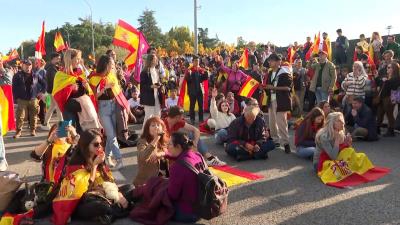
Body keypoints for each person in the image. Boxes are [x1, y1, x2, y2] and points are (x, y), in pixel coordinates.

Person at [52, 129, 134, 225]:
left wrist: (119, 194)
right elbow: (84, 189)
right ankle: (114, 210)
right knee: (101, 207)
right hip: (83, 201)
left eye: (101, 143)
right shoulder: (75, 163)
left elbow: (109, 180)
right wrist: (94, 166)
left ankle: (111, 212)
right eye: (96, 144)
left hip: (102, 193)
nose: (99, 147)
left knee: (130, 188)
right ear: (86, 145)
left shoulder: (98, 157)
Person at [53, 48, 101, 133]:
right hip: (68, 109)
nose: (79, 61)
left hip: (82, 109)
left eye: (80, 59)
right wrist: (70, 88)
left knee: (84, 133)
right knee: (65, 134)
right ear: (70, 60)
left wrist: (86, 87)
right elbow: (57, 95)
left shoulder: (80, 72)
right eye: (77, 59)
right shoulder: (59, 74)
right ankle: (60, 145)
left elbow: (87, 92)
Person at [94, 55, 128, 170]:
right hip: (103, 108)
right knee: (111, 135)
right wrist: (105, 87)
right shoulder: (94, 77)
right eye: (112, 64)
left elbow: (119, 92)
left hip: (114, 106)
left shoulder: (112, 75)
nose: (114, 66)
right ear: (107, 65)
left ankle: (107, 158)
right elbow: (94, 96)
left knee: (111, 135)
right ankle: (119, 159)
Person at [167, 132, 203, 223]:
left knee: (159, 197)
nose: (167, 146)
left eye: (170, 144)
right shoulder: (198, 155)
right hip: (203, 207)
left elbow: (172, 195)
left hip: (187, 213)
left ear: (178, 146)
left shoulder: (177, 166)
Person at [265, 53, 293, 153]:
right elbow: (269, 87)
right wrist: (264, 88)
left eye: (271, 60)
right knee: (272, 122)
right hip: (271, 100)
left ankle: (286, 143)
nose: (269, 62)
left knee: (282, 122)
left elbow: (288, 88)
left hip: (281, 100)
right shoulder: (269, 73)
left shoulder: (285, 72)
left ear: (278, 62)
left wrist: (273, 88)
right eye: (269, 60)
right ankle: (275, 140)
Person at [12, 59, 46, 138]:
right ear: (22, 66)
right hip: (22, 99)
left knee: (33, 115)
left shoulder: (35, 75)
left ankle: (33, 130)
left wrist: (42, 92)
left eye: (29, 65)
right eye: (26, 65)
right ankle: (18, 132)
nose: (28, 67)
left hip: (33, 98)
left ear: (31, 66)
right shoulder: (17, 75)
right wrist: (16, 99)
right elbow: (14, 88)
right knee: (20, 116)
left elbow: (44, 83)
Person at [134, 116, 169, 187]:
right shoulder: (142, 142)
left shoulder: (164, 140)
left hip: (163, 180)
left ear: (162, 128)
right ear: (148, 129)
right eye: (153, 125)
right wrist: (156, 139)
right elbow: (142, 157)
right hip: (146, 184)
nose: (156, 127)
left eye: (158, 125)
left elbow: (172, 152)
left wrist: (161, 153)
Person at [376, 61, 400, 137]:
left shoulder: (397, 78)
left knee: (389, 114)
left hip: (389, 98)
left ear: (394, 69)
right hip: (382, 98)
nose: (387, 69)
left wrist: (385, 81)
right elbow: (379, 83)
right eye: (387, 67)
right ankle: (377, 128)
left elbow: (393, 87)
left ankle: (391, 130)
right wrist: (378, 78)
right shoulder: (387, 76)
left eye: (389, 67)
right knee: (379, 113)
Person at [140, 54, 163, 126]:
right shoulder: (144, 72)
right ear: (151, 61)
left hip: (156, 97)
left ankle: (156, 132)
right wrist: (151, 86)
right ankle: (144, 134)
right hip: (148, 98)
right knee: (148, 117)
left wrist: (161, 86)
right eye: (155, 59)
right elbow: (142, 86)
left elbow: (158, 82)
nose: (157, 60)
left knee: (157, 115)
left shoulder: (156, 71)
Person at [41, 53, 63, 130]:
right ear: (53, 59)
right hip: (54, 91)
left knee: (52, 107)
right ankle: (62, 126)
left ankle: (45, 123)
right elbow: (54, 81)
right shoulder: (51, 68)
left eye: (59, 58)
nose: (59, 60)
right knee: (59, 108)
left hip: (52, 91)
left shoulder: (53, 67)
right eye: (57, 58)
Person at [185, 55, 208, 124]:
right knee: (192, 106)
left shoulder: (201, 70)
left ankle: (201, 119)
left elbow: (205, 78)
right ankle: (192, 119)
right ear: (193, 62)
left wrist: (206, 72)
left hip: (200, 91)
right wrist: (189, 74)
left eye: (198, 61)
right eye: (195, 61)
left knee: (201, 105)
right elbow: (187, 80)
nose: (197, 62)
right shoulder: (189, 70)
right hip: (192, 91)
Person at [33, 59, 48, 127]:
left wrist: (42, 92)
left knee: (42, 107)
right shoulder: (33, 71)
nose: (37, 64)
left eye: (38, 62)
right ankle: (33, 122)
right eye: (36, 62)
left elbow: (45, 83)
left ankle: (43, 121)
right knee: (34, 108)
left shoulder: (44, 71)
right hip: (34, 92)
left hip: (41, 93)